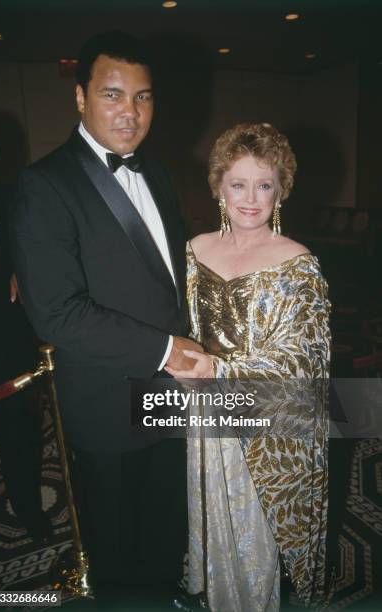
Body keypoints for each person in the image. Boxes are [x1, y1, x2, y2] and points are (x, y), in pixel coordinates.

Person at [11, 31, 201, 598]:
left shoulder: (160, 173)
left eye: (143, 97)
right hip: (106, 400)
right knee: (117, 544)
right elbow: (58, 316)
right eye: (113, 94)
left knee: (169, 523)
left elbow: (167, 281)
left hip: (171, 392)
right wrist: (167, 350)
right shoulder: (45, 183)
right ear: (80, 98)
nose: (130, 112)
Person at [166, 123, 331, 611]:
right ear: (219, 185)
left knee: (249, 527)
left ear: (282, 189)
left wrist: (219, 369)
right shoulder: (192, 253)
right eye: (238, 183)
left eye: (264, 184)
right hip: (197, 411)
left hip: (259, 426)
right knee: (205, 511)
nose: (251, 198)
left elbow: (302, 360)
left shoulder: (299, 265)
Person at [0, 121, 51, 542]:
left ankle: (29, 511)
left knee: (19, 435)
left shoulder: (6, 197)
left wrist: (22, 273)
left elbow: (34, 245)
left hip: (6, 342)